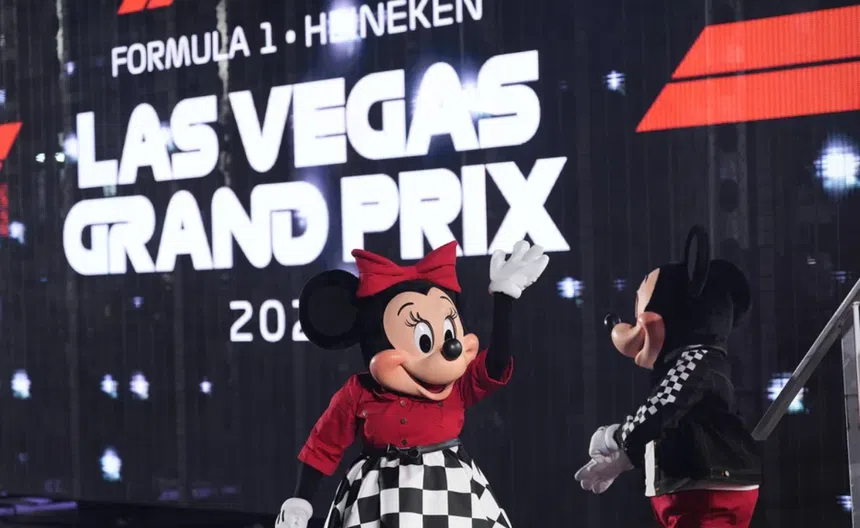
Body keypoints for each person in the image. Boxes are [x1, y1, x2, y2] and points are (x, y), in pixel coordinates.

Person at [276, 239, 549, 528]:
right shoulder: (360, 392)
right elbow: (323, 445)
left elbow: (495, 366)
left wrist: (504, 300)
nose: (450, 349)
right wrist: (300, 500)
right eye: (425, 341)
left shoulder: (456, 385)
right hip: (378, 497)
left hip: (448, 493)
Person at [575, 226, 761, 528]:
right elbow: (666, 420)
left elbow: (664, 406)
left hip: (707, 488)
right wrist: (627, 456)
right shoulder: (695, 362)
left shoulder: (697, 359)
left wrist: (619, 438)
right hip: (694, 487)